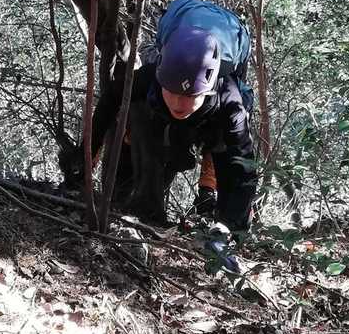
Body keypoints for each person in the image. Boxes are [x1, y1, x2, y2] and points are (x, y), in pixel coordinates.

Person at [88, 13, 257, 238]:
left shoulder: (230, 100)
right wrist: (87, 155)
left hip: (216, 107)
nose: (178, 103)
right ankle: (141, 206)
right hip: (171, 62)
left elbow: (243, 166)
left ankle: (214, 197)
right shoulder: (149, 77)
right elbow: (110, 100)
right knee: (138, 115)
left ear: (208, 90)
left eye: (190, 96)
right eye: (172, 92)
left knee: (223, 144)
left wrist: (231, 222)